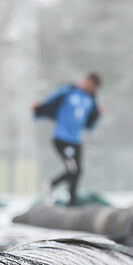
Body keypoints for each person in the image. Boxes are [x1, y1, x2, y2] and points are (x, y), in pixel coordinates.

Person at [33, 72, 103, 206]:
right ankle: (52, 184)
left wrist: (98, 115)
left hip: (76, 140)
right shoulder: (68, 92)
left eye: (91, 85)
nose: (87, 85)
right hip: (62, 138)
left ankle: (72, 202)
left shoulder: (91, 101)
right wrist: (38, 109)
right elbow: (51, 102)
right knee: (73, 170)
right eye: (87, 81)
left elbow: (89, 124)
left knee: (78, 171)